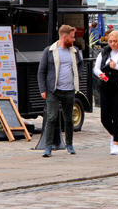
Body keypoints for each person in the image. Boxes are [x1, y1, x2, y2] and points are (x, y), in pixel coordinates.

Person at [37, 24, 83, 157]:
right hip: (54, 90)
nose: (74, 40)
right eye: (72, 37)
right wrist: (43, 89)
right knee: (51, 118)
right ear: (64, 36)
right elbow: (41, 71)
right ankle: (48, 147)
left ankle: (69, 144)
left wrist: (76, 77)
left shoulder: (74, 51)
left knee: (69, 119)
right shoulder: (49, 51)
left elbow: (80, 64)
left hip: (69, 90)